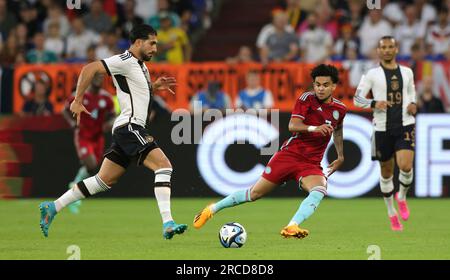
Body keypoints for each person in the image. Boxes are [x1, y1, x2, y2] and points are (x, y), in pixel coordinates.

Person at [39, 24, 188, 239]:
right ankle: (168, 223)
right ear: (138, 42)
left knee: (103, 181)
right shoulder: (124, 61)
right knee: (164, 166)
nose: (155, 48)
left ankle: (53, 207)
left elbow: (133, 90)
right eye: (152, 43)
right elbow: (89, 69)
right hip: (130, 126)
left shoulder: (142, 67)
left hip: (126, 128)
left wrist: (153, 86)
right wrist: (77, 100)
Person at [193, 64, 347, 239]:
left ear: (334, 86)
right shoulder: (306, 99)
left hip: (311, 163)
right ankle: (211, 210)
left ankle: (292, 226)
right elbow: (292, 125)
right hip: (289, 156)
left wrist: (340, 155)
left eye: (325, 85)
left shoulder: (340, 109)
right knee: (254, 194)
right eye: (317, 84)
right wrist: (314, 128)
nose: (320, 88)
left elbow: (338, 129)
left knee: (319, 189)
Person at [354, 36, 417, 231]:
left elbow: (411, 92)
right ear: (379, 51)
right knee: (387, 172)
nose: (387, 50)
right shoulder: (371, 74)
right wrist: (374, 103)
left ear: (396, 49)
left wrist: (413, 104)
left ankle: (402, 196)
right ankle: (391, 213)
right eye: (384, 47)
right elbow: (357, 99)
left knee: (405, 166)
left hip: (405, 124)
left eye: (391, 47)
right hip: (382, 128)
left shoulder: (407, 72)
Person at [61, 73, 115, 214]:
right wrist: (72, 123)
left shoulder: (106, 98)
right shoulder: (79, 95)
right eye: (95, 77)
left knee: (94, 167)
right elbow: (65, 110)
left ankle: (74, 188)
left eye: (100, 78)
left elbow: (113, 115)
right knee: (90, 164)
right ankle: (75, 187)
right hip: (83, 136)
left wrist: (109, 123)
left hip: (98, 137)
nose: (98, 80)